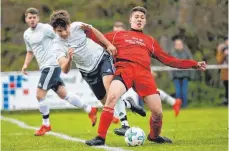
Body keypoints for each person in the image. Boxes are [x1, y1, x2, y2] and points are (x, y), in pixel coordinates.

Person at [85, 6, 206, 146]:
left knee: (158, 112)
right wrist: (83, 29)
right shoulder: (118, 35)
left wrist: (193, 64)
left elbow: (169, 60)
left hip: (144, 75)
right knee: (111, 97)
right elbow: (96, 37)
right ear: (130, 20)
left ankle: (154, 136)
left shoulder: (150, 41)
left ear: (145, 22)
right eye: (136, 17)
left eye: (142, 18)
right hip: (125, 70)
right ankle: (100, 138)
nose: (139, 19)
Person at [49, 10, 146, 122]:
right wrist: (69, 60)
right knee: (107, 103)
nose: (64, 33)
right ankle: (129, 104)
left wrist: (108, 44)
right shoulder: (56, 45)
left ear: (69, 25)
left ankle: (125, 126)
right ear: (54, 30)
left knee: (110, 89)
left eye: (66, 29)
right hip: (88, 72)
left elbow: (94, 31)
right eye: (60, 31)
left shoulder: (77, 26)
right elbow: (64, 70)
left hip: (101, 59)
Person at [22, 8, 98, 136]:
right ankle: (90, 109)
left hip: (52, 64)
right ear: (26, 19)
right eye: (30, 17)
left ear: (38, 18)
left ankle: (46, 125)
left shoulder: (46, 28)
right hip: (45, 66)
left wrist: (66, 53)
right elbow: (30, 51)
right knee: (64, 94)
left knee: (40, 95)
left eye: (34, 17)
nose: (32, 19)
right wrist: (25, 65)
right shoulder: (26, 34)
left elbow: (62, 36)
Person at [170, 38, 194, 107]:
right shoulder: (172, 53)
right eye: (177, 44)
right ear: (175, 45)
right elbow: (169, 65)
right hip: (176, 76)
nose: (179, 46)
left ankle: (184, 106)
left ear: (182, 45)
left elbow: (191, 63)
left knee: (184, 92)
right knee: (178, 93)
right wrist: (172, 76)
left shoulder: (187, 53)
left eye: (180, 44)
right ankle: (177, 106)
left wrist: (190, 75)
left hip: (185, 75)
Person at [216, 36, 228, 105]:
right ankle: (226, 100)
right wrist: (224, 54)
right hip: (225, 73)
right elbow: (219, 61)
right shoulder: (222, 50)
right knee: (227, 88)